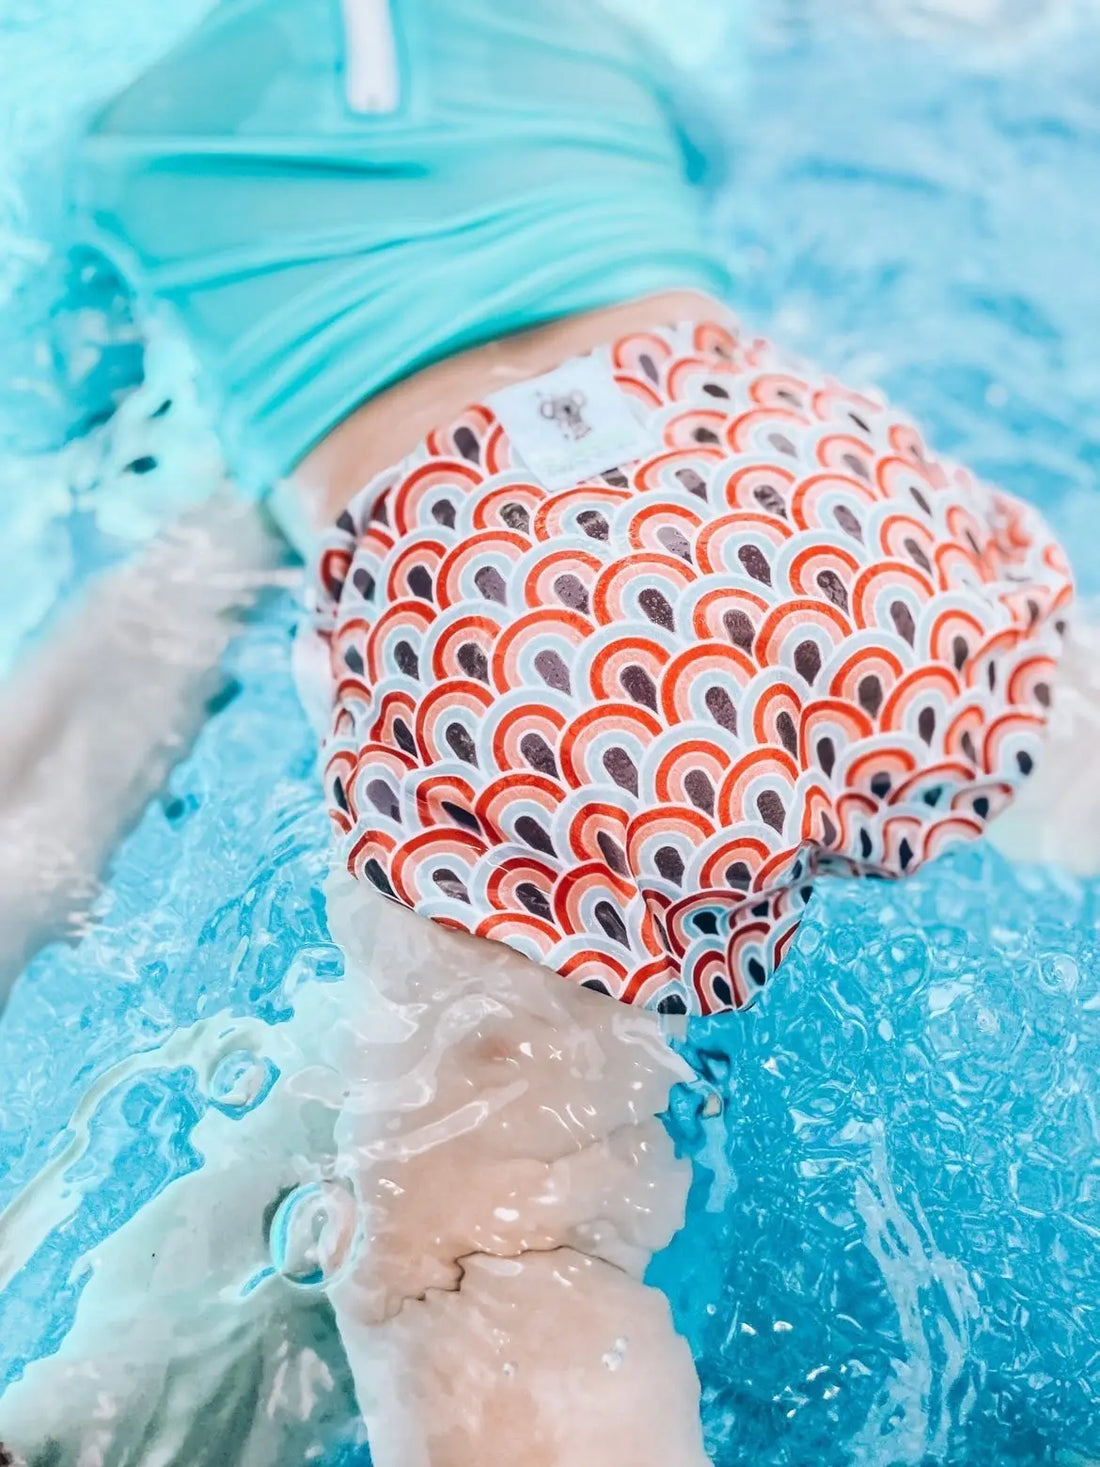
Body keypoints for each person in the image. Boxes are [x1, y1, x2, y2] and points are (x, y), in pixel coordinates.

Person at [0, 1, 1087, 1463]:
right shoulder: (594, 35)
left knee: (485, 1258)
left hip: (512, 593)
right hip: (818, 493)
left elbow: (91, 445)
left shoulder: (105, 141)